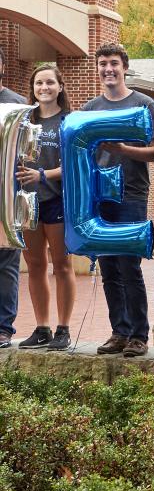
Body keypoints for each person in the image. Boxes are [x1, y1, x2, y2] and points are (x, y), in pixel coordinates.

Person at [81, 43, 154, 358]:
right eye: (102, 64)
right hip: (99, 197)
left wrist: (123, 150)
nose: (108, 69)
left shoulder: (144, 104)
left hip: (131, 193)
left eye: (113, 63)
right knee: (108, 266)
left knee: (129, 265)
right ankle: (119, 331)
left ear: (125, 67)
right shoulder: (90, 109)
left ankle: (139, 334)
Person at [14, 65, 72, 350]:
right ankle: (42, 328)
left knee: (62, 265)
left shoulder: (69, 122)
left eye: (50, 82)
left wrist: (44, 175)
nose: (44, 87)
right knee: (36, 265)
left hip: (57, 200)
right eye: (38, 83)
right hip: (27, 202)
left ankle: (64, 329)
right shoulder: (23, 121)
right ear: (32, 88)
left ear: (60, 87)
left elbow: (75, 163)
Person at [0, 48, 27, 349]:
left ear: (3, 65)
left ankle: (4, 327)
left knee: (7, 264)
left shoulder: (18, 104)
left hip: (8, 195)